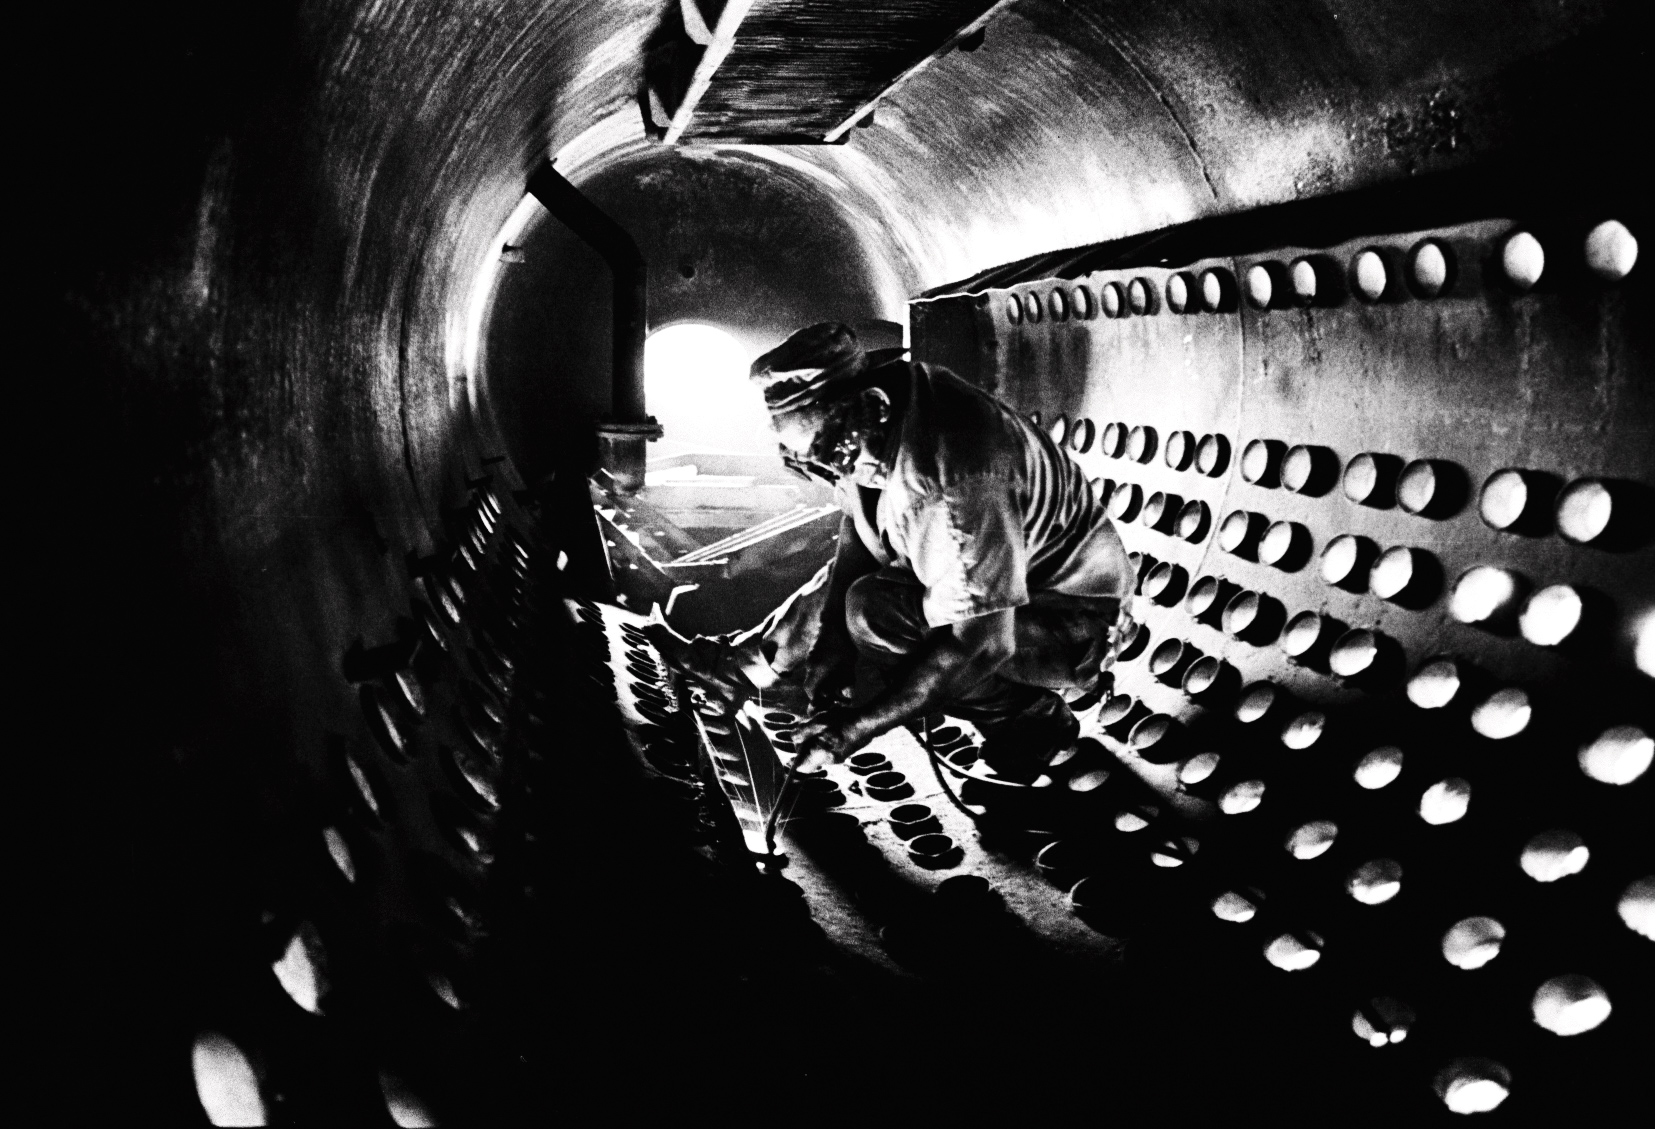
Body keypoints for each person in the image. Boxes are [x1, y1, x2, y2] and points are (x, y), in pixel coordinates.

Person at [646, 322, 1136, 783]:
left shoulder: (953, 483)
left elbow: (984, 643)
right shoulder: (886, 406)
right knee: (844, 598)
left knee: (874, 614)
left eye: (831, 458)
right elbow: (860, 536)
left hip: (1067, 622)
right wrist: (831, 642)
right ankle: (741, 670)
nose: (829, 471)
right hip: (1010, 584)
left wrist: (852, 729)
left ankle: (1033, 724)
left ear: (869, 408)